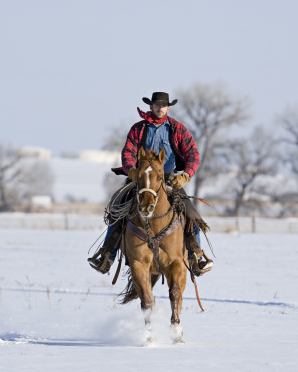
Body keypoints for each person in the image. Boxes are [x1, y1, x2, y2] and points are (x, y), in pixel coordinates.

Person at [88, 92, 213, 276]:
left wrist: (185, 176)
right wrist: (131, 170)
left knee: (192, 214)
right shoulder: (138, 129)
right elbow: (127, 153)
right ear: (151, 106)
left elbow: (192, 154)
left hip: (168, 178)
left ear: (168, 108)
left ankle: (197, 257)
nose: (159, 108)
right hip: (141, 179)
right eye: (156, 105)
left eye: (163, 105)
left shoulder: (177, 129)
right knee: (117, 208)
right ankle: (107, 255)